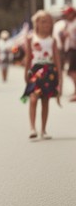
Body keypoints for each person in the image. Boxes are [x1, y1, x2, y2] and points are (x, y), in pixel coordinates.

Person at [21, 10, 62, 139]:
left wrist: (59, 79)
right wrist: (26, 73)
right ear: (37, 23)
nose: (46, 25)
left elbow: (57, 61)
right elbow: (28, 58)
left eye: (49, 22)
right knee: (33, 98)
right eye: (43, 22)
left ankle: (43, 129)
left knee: (45, 100)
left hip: (49, 71)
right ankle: (32, 128)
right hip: (35, 70)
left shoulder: (52, 40)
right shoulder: (31, 38)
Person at [61, 7, 76, 101]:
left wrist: (68, 34)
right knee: (71, 71)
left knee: (72, 71)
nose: (66, 15)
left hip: (74, 49)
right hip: (69, 49)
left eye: (67, 14)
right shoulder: (68, 24)